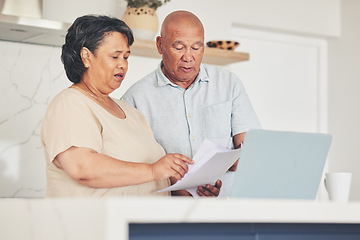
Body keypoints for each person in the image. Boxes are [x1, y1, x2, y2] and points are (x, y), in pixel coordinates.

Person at [40, 15, 196, 198]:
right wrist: (153, 170)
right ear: (86, 57)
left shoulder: (132, 113)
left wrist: (189, 188)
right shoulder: (69, 103)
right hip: (95, 224)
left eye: (126, 57)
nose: (122, 65)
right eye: (115, 56)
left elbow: (152, 178)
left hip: (145, 224)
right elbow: (82, 167)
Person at [122, 10, 261, 197]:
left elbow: (251, 145)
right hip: (169, 213)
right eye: (179, 47)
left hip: (229, 207)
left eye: (196, 48)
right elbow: (132, 166)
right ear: (160, 45)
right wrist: (180, 190)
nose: (188, 57)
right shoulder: (135, 98)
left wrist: (239, 158)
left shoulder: (228, 84)